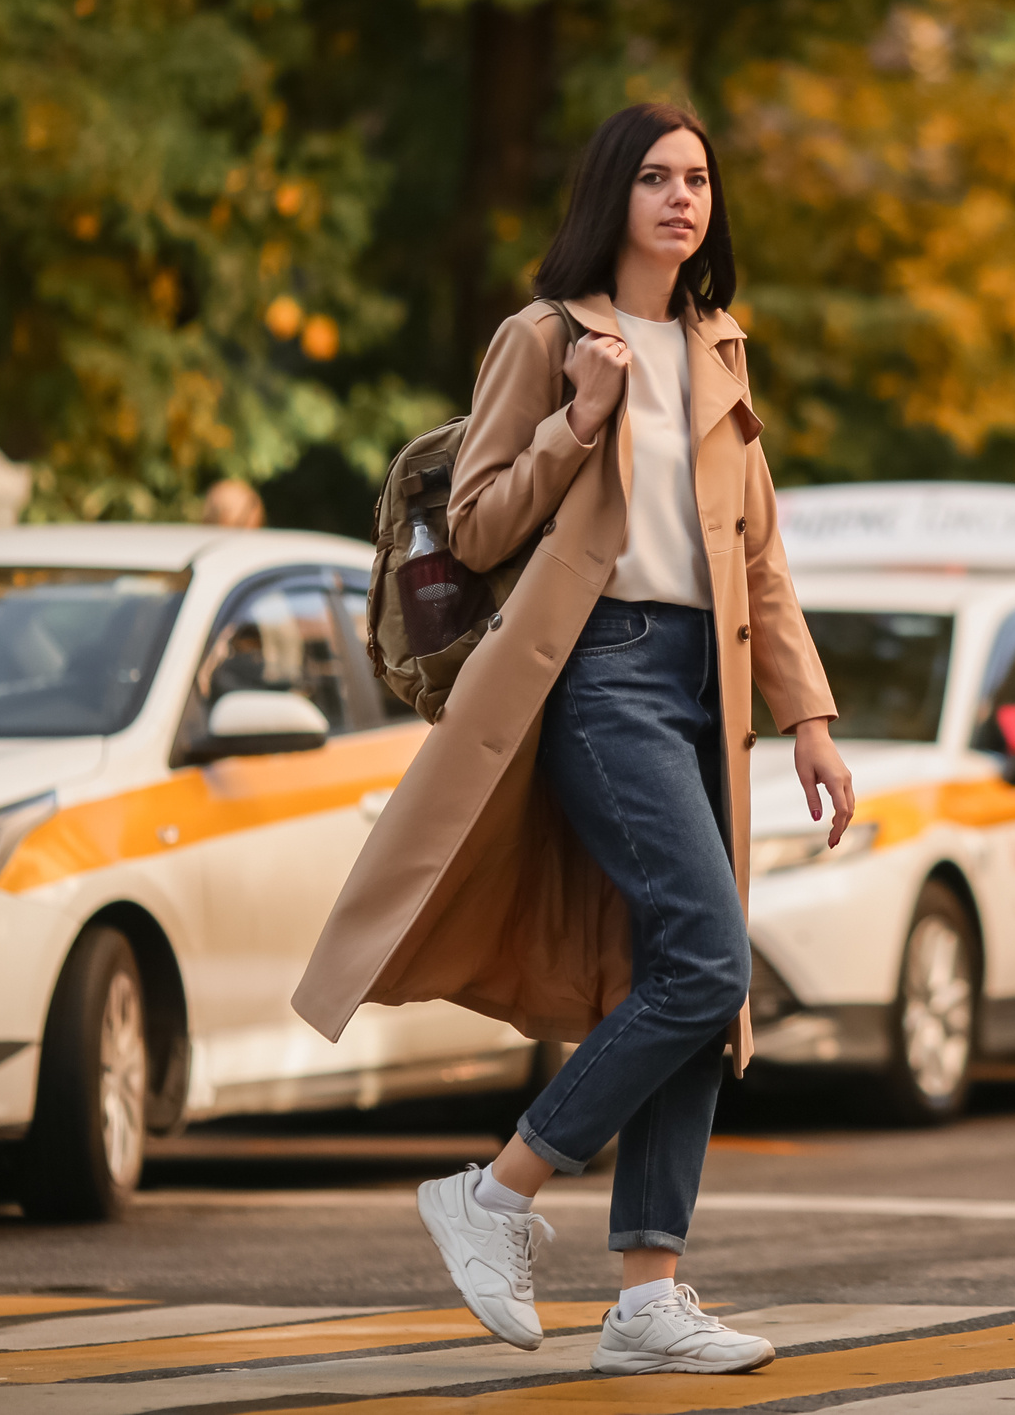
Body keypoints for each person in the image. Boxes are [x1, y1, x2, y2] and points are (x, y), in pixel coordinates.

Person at [292, 102, 852, 1376]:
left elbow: (757, 558)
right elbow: (478, 526)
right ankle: (493, 1196)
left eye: (698, 178)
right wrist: (578, 419)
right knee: (710, 959)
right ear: (613, 195)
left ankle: (649, 1293)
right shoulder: (545, 340)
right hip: (595, 675)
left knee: (684, 981)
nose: (680, 198)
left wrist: (807, 718)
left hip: (703, 691)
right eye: (654, 177)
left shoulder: (718, 349)